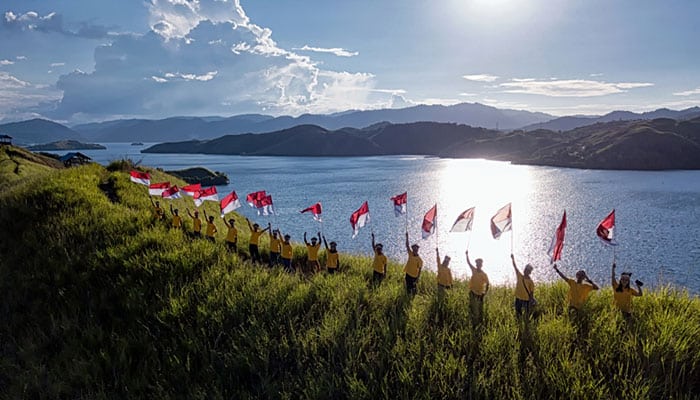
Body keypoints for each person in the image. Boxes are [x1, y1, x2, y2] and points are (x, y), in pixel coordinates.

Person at [466, 250, 490, 326]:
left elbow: (487, 284)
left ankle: (478, 325)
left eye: (480, 264)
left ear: (481, 265)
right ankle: (473, 324)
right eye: (477, 263)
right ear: (476, 265)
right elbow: (469, 263)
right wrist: (467, 255)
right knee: (472, 309)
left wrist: (484, 293)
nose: (478, 265)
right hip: (472, 293)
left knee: (479, 311)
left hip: (480, 295)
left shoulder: (484, 274)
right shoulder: (474, 270)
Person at [511, 254, 535, 318]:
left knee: (526, 314)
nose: (525, 271)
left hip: (526, 300)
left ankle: (526, 325)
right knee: (518, 314)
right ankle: (519, 325)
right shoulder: (519, 276)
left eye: (527, 270)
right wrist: (513, 259)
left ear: (530, 272)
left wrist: (530, 302)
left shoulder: (531, 282)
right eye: (525, 269)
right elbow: (515, 267)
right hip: (518, 298)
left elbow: (531, 293)